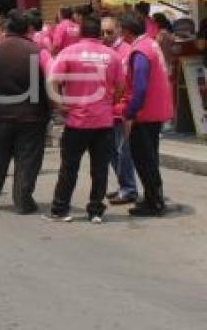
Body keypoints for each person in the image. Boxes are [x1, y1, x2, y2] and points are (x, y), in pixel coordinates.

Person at [46, 15, 124, 223]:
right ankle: (96, 211)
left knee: (69, 167)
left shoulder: (68, 53)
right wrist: (109, 102)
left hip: (76, 121)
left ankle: (60, 209)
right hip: (104, 122)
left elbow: (52, 81)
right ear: (99, 33)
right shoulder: (112, 56)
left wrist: (59, 103)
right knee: (100, 169)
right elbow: (121, 87)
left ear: (80, 33)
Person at [0, 10, 50, 214]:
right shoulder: (39, 52)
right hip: (31, 115)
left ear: (5, 28)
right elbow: (52, 80)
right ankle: (23, 201)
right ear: (28, 29)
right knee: (28, 160)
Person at [121, 14, 174, 217]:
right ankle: (155, 198)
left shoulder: (139, 50)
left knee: (144, 159)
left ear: (126, 31)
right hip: (156, 111)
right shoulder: (150, 44)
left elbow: (140, 87)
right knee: (150, 157)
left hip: (145, 114)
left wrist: (131, 113)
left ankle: (153, 202)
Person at [101, 17, 139, 205]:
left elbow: (127, 84)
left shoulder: (127, 51)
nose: (105, 36)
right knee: (111, 151)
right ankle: (124, 185)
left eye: (109, 32)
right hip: (107, 110)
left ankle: (129, 188)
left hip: (122, 110)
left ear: (119, 30)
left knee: (123, 151)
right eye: (103, 32)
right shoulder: (104, 51)